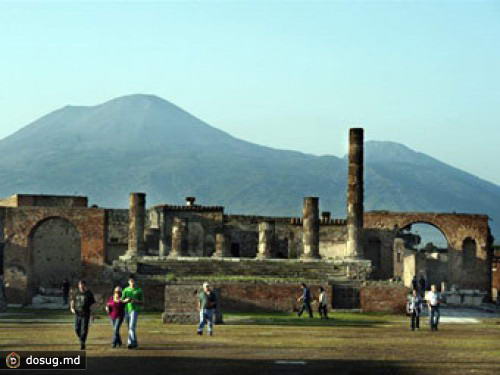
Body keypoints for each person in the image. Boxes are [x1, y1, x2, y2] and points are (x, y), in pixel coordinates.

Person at [70, 280, 95, 350]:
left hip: (86, 314)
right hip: (77, 314)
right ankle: (81, 339)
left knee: (84, 330)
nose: (81, 286)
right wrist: (72, 308)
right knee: (76, 329)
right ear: (78, 285)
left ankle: (82, 343)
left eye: (82, 285)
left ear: (85, 285)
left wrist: (92, 315)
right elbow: (72, 300)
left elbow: (92, 305)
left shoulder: (89, 293)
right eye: (80, 285)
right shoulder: (76, 293)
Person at [122, 275, 144, 349]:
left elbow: (142, 302)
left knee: (132, 327)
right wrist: (126, 300)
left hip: (135, 309)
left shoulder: (139, 290)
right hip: (126, 310)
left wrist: (136, 301)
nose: (132, 283)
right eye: (131, 281)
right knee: (130, 328)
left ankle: (130, 343)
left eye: (133, 281)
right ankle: (135, 343)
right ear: (128, 282)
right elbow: (122, 300)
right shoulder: (125, 290)